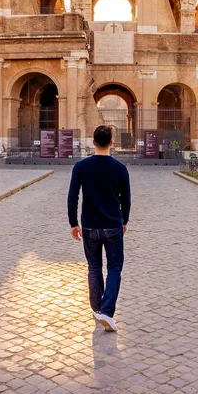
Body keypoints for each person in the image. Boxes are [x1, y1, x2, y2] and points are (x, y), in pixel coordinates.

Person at [67, 125, 131, 333]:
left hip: (89, 225)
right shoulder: (120, 168)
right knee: (114, 268)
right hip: (113, 225)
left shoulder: (81, 167)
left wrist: (73, 223)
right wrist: (125, 220)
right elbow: (126, 200)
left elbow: (72, 197)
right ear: (112, 142)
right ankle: (107, 311)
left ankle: (97, 309)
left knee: (94, 267)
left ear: (93, 142)